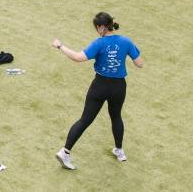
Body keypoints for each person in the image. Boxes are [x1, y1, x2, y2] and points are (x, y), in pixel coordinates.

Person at [52, 12, 145, 169]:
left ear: (101, 27)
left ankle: (65, 152)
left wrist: (60, 46)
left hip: (99, 86)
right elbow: (140, 64)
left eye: (96, 28)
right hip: (118, 87)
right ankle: (119, 151)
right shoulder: (126, 41)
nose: (97, 31)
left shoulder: (99, 43)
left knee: (85, 120)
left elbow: (77, 57)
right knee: (116, 117)